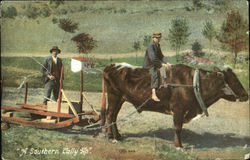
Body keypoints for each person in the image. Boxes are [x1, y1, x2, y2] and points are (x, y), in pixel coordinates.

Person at [143, 31, 171, 101]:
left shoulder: (158, 45)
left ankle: (163, 85)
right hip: (150, 65)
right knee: (154, 73)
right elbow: (153, 58)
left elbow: (161, 56)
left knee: (165, 69)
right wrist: (161, 64)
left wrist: (167, 62)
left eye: (159, 38)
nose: (158, 39)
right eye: (156, 38)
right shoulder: (151, 46)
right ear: (153, 38)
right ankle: (153, 93)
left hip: (155, 63)